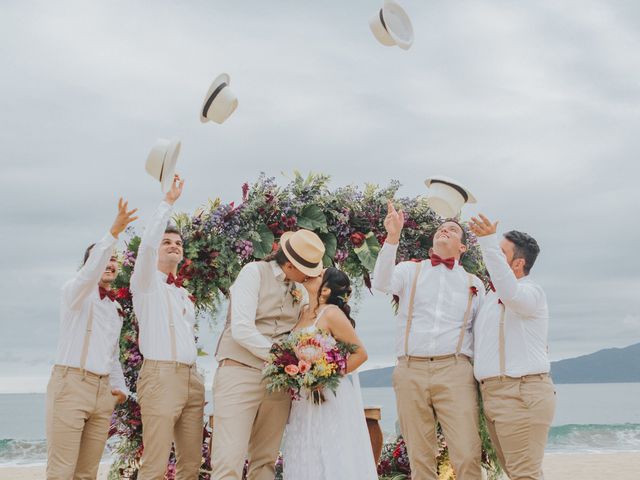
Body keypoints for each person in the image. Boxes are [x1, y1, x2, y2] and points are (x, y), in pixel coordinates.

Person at [372, 200, 485, 480]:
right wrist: (393, 237)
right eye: (441, 228)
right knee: (419, 455)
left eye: (452, 229)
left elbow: (481, 331)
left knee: (467, 452)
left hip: (456, 370)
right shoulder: (411, 270)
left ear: (462, 247)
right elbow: (381, 283)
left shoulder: (474, 282)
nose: (444, 230)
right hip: (410, 369)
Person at [211, 229, 325, 480]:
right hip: (240, 372)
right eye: (308, 270)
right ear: (290, 264)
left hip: (279, 382)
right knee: (228, 459)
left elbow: (304, 332)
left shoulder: (301, 288)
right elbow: (242, 329)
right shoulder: (253, 273)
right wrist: (281, 357)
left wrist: (314, 295)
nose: (310, 275)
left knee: (265, 462)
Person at [46, 198, 136, 479]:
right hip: (72, 384)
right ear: (89, 265)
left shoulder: (114, 307)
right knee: (62, 471)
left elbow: (111, 355)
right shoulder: (75, 293)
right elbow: (88, 276)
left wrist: (120, 389)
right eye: (103, 259)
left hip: (102, 392)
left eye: (113, 260)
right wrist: (112, 235)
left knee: (87, 473)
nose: (109, 264)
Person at [470, 214, 556, 480]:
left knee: (523, 475)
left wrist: (486, 242)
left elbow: (511, 294)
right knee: (518, 473)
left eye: (500, 252)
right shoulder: (489, 297)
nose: (493, 255)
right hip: (493, 395)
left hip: (521, 394)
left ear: (518, 264)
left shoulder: (531, 292)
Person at [131, 174, 205, 479]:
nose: (173, 246)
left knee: (191, 464)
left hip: (192, 378)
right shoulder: (146, 284)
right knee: (156, 463)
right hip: (160, 377)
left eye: (177, 243)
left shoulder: (184, 293)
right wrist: (168, 203)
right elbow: (147, 247)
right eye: (167, 242)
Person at [282, 267, 378, 479]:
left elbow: (360, 354)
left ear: (325, 290)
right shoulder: (303, 310)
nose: (310, 274)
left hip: (328, 394)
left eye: (318, 275)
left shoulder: (331, 313)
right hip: (302, 396)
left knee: (329, 448)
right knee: (304, 449)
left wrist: (325, 376)